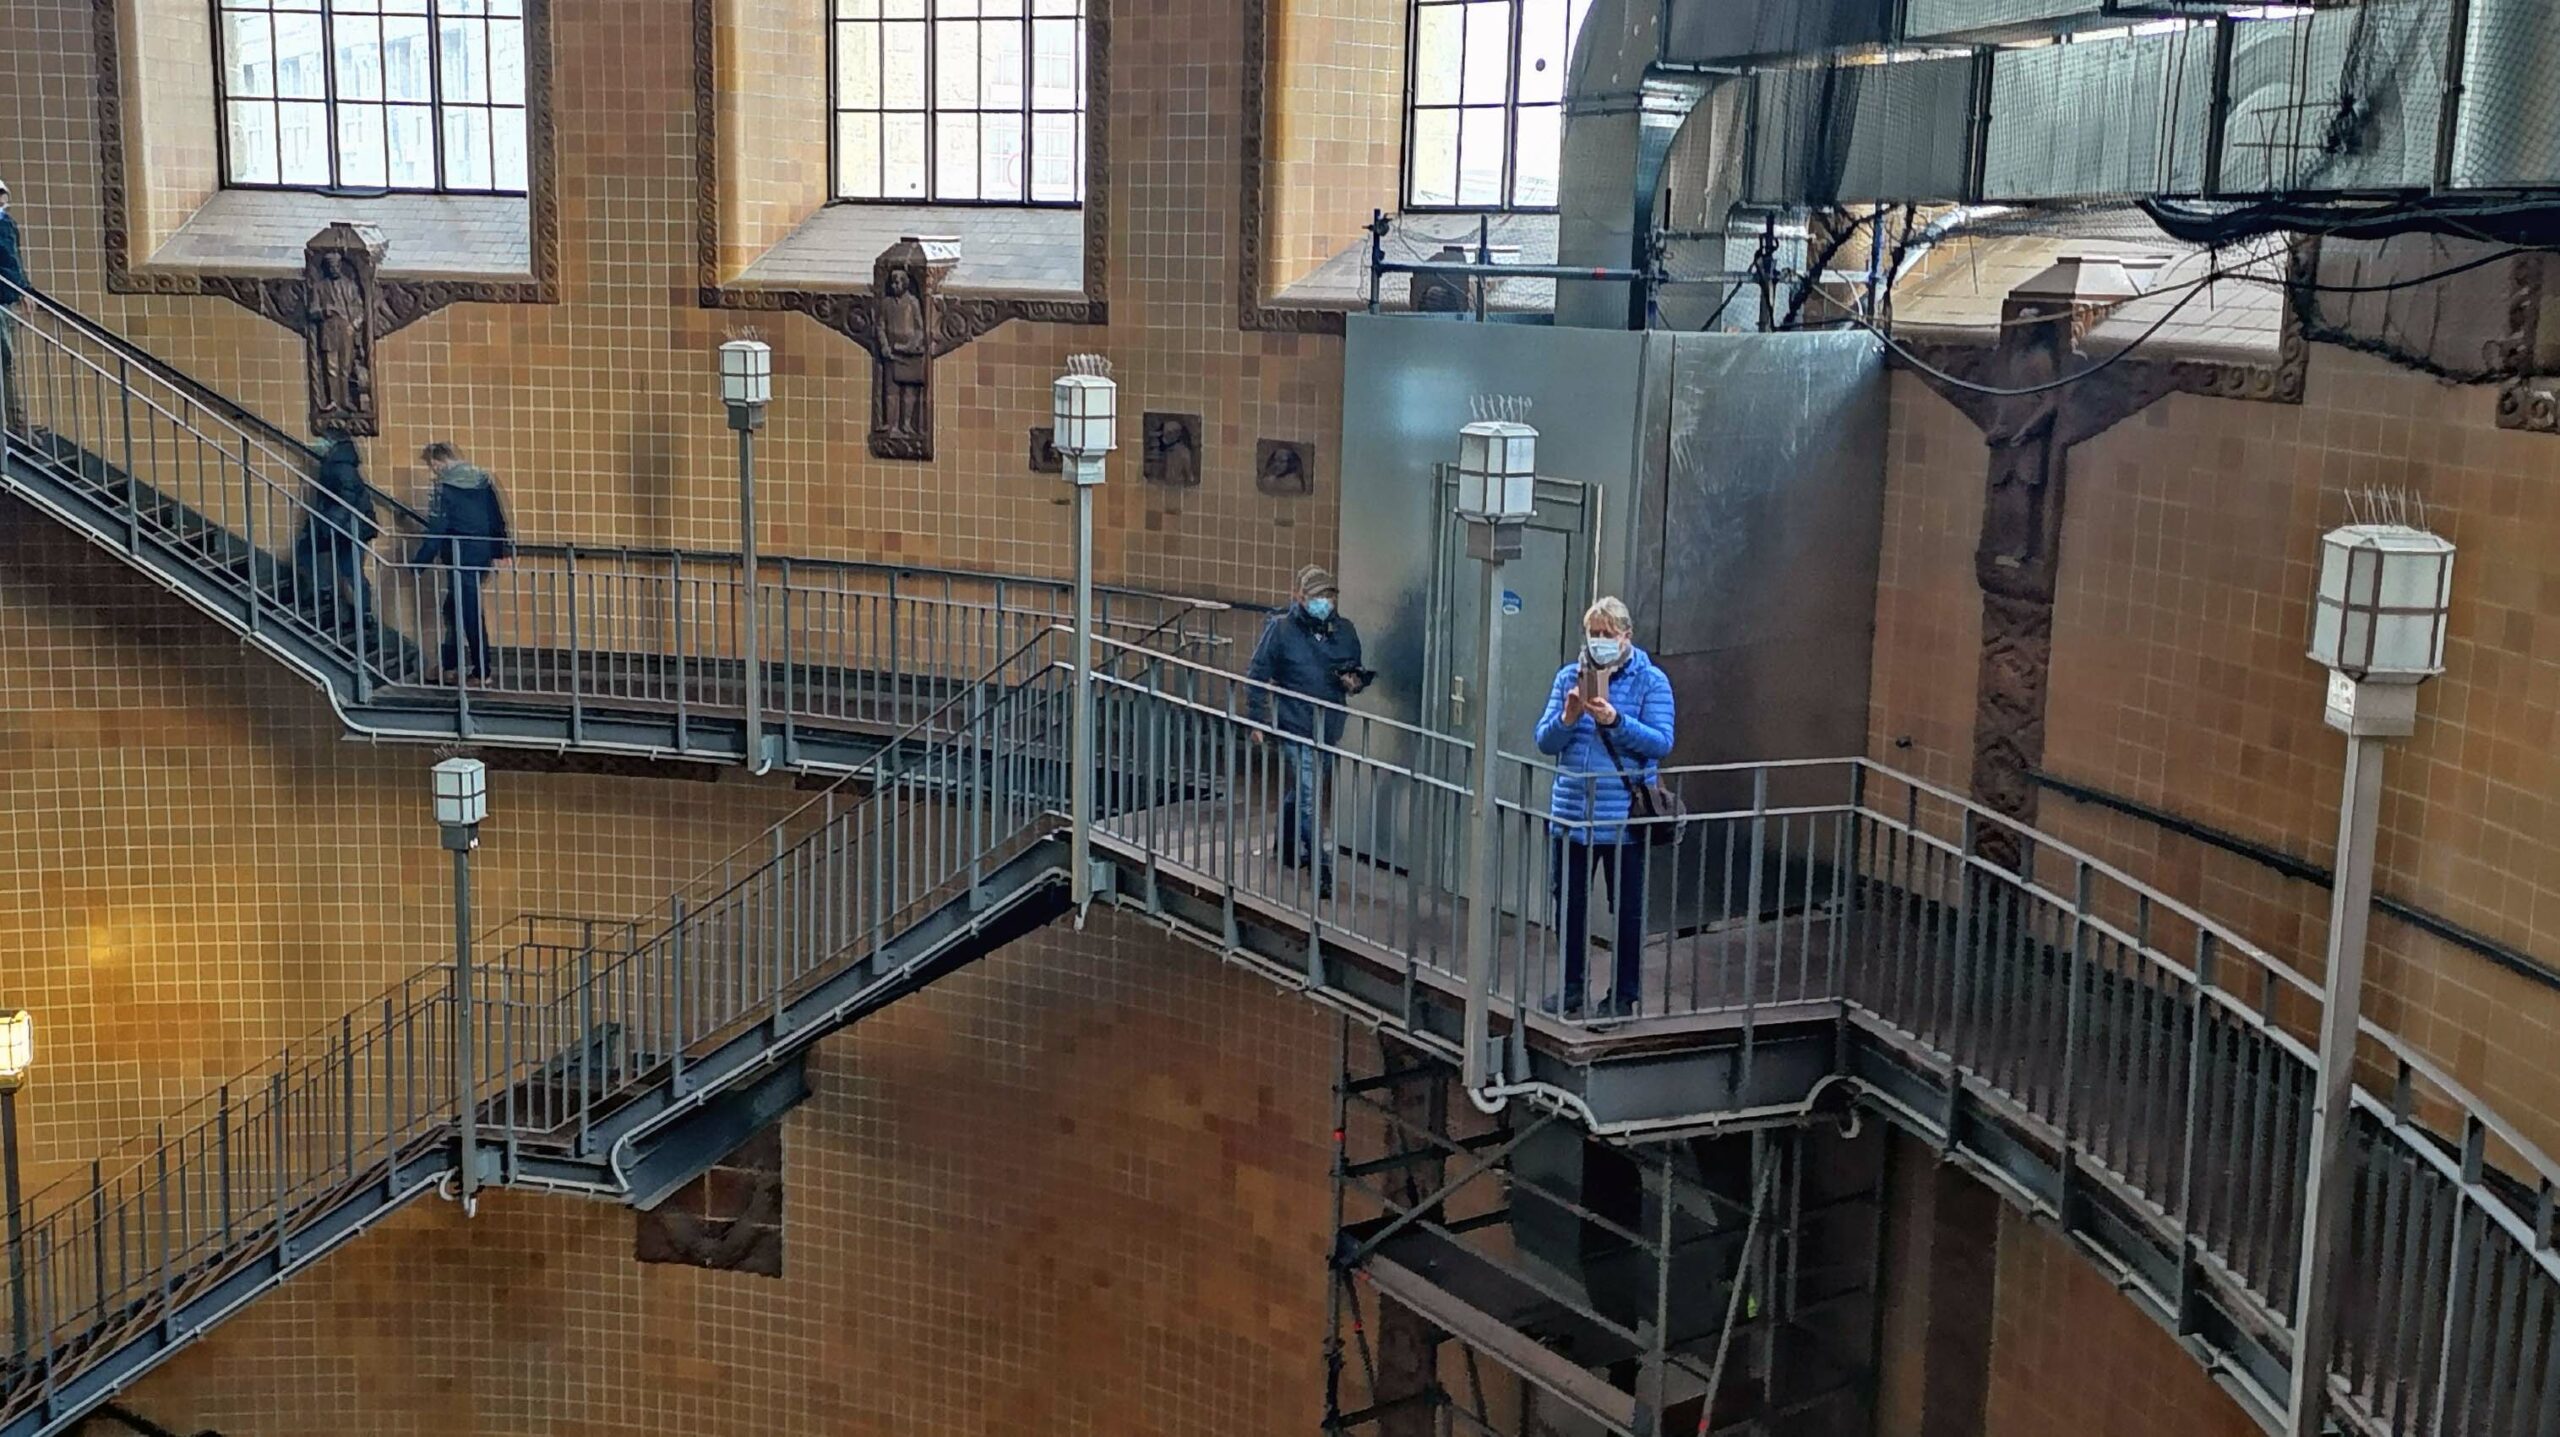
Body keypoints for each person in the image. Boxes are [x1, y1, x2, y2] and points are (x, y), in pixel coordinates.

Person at [1533, 596, 1676, 1018]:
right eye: (1593, 633)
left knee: (1626, 910)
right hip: (1572, 814)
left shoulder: (1650, 681)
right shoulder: (1569, 677)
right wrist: (1568, 717)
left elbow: (1661, 742)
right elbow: (1544, 742)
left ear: (1626, 636)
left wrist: (1615, 720)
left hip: (1623, 820)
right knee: (1569, 906)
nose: (1599, 641)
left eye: (1607, 634)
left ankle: (1623, 995)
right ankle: (1572, 988)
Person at [1245, 565, 1372, 896]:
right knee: (1309, 793)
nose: (1323, 603)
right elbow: (1257, 674)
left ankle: (1286, 845)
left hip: (1328, 725)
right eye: (1316, 597)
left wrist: (1353, 681)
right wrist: (1256, 719)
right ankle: (1320, 866)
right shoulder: (1281, 630)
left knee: (1306, 790)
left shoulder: (1344, 631)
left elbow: (1354, 669)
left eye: (1328, 596)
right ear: (1298, 597)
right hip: (1295, 722)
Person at [411, 441, 513, 682]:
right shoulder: (482, 479)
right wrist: (501, 550)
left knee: (467, 612)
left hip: (459, 555)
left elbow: (437, 528)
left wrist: (419, 563)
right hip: (481, 553)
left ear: (438, 461)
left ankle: (481, 671)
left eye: (432, 466)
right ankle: (450, 666)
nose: (433, 471)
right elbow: (496, 517)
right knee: (455, 608)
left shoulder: (443, 487)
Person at [293, 436, 378, 640]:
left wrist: (332, 524)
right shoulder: (339, 463)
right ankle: (355, 610)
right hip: (345, 525)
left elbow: (347, 498)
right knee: (341, 565)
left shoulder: (340, 466)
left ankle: (357, 610)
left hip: (347, 526)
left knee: (348, 568)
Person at [0, 175, 31, 437]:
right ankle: (16, 423)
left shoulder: (6, 224)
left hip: (5, 298)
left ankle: (16, 422)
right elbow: (10, 260)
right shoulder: (4, 225)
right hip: (4, 298)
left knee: (7, 362)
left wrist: (23, 289)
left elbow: (14, 260)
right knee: (6, 362)